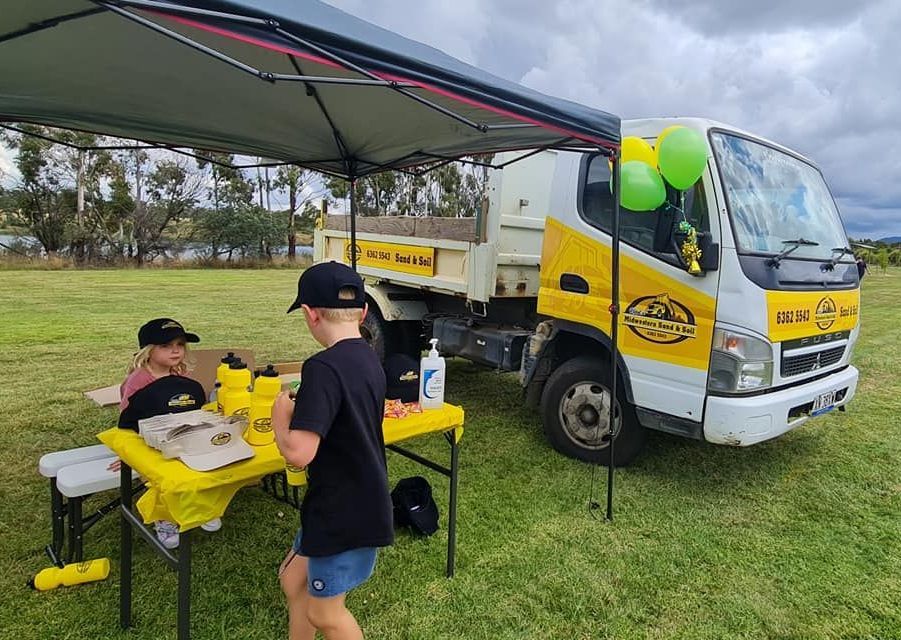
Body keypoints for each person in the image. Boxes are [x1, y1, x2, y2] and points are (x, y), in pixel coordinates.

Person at [273, 262, 393, 640]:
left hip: (341, 512)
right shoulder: (369, 356)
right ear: (362, 313)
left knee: (326, 613)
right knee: (294, 581)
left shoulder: (322, 368)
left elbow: (299, 453)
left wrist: (280, 416)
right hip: (360, 498)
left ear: (310, 315)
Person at [117, 318, 217, 549]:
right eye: (165, 346)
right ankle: (165, 519)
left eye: (180, 344)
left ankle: (201, 507)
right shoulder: (138, 380)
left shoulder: (180, 374)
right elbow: (125, 421)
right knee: (161, 476)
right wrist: (125, 453)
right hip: (147, 442)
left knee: (203, 460)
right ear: (148, 351)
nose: (175, 350)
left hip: (179, 435)